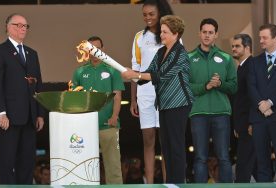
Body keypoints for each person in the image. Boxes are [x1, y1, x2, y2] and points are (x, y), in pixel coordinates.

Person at [123, 15, 193, 183]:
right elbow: (148, 72)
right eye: (161, 31)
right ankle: (170, 182)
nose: (161, 35)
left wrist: (137, 74)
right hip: (163, 104)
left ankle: (178, 182)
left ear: (176, 34)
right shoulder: (161, 51)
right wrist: (132, 74)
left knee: (175, 144)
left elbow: (161, 75)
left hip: (179, 103)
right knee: (166, 145)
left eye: (165, 32)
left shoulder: (180, 53)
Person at [0, 13, 44, 184]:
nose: (22, 28)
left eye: (25, 26)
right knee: (7, 161)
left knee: (27, 162)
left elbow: (38, 85)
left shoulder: (32, 53)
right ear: (8, 27)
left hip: (30, 117)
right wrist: (1, 113)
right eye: (18, 25)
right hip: (8, 118)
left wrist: (39, 113)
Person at [188, 18, 237, 183]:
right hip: (198, 113)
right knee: (200, 157)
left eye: (210, 33)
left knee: (223, 156)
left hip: (221, 112)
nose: (207, 36)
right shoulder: (189, 57)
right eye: (204, 32)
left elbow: (234, 87)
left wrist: (220, 84)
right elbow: (186, 87)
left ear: (216, 35)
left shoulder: (226, 58)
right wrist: (206, 86)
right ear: (199, 33)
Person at [71, 36, 125, 184]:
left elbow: (117, 96)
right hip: (86, 128)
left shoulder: (113, 70)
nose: (94, 51)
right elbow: (76, 100)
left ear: (102, 49)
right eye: (91, 48)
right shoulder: (79, 72)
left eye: (98, 48)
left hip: (109, 125)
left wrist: (114, 116)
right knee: (85, 165)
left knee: (113, 165)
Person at [130, 0, 173, 183]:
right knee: (148, 140)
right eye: (145, 14)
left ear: (160, 13)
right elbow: (135, 68)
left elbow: (177, 66)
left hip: (166, 92)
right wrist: (133, 99)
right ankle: (149, 183)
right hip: (145, 93)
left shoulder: (171, 34)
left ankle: (167, 182)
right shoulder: (139, 36)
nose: (148, 17)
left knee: (165, 141)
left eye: (151, 14)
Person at [248, 23, 276, 182]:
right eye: (260, 37)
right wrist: (261, 105)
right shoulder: (254, 62)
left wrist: (269, 102)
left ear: (275, 38)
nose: (261, 40)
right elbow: (251, 86)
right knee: (262, 161)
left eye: (264, 37)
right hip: (259, 118)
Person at [231, 33, 257, 182]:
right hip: (243, 126)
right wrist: (237, 124)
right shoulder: (241, 67)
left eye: (237, 46)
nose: (233, 49)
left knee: (243, 168)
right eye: (233, 46)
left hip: (250, 126)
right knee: (249, 166)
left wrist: (252, 122)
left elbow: (255, 96)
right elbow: (240, 99)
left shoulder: (252, 66)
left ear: (247, 47)